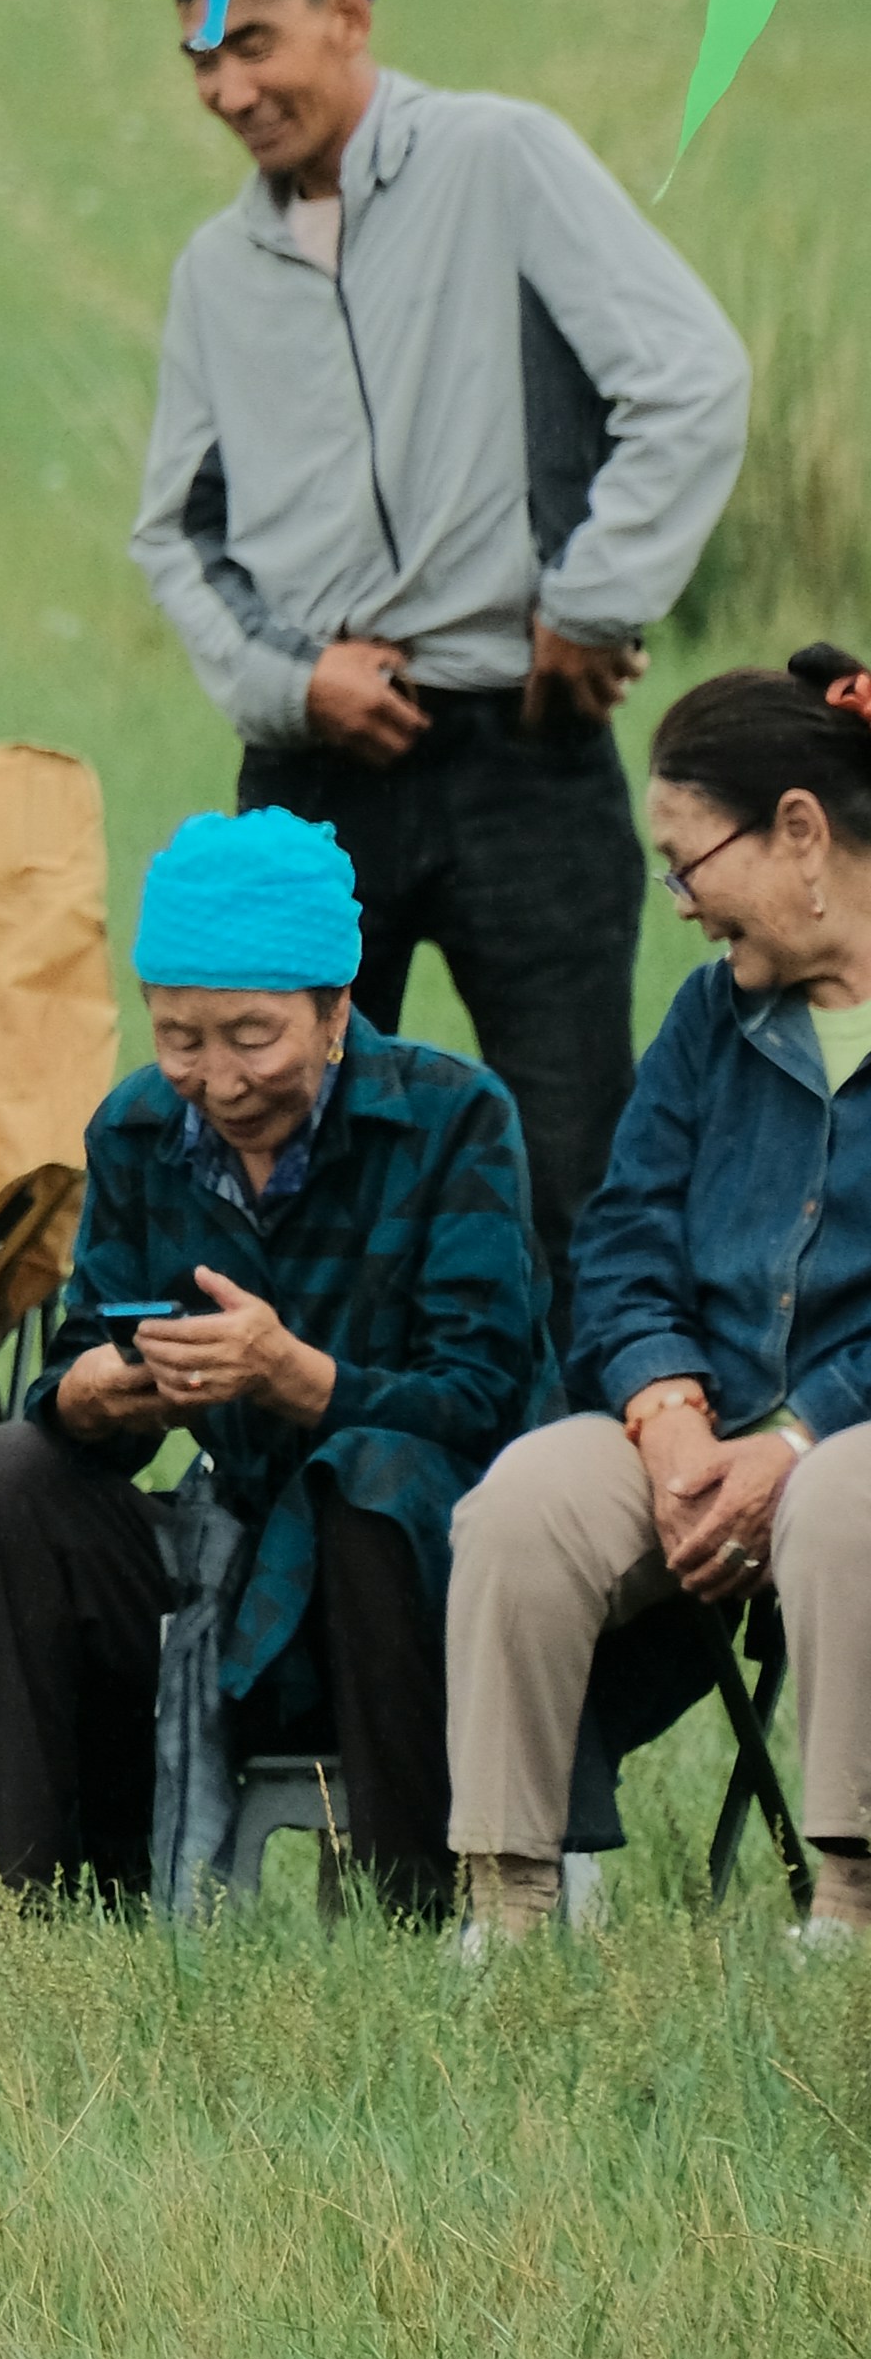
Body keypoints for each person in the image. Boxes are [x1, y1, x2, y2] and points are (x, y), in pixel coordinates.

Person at [125, 0, 747, 1268]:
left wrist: (594, 602)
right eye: (201, 58)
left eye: (253, 43)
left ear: (349, 16)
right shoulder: (215, 274)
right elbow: (175, 529)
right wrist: (292, 685)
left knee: (576, 1157)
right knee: (289, 1159)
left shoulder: (500, 163)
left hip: (522, 742)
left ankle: (592, 1470)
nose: (226, 88)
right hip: (311, 774)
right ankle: (305, 1480)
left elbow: (691, 379)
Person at [0, 811, 536, 1919]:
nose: (214, 1077)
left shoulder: (456, 1119)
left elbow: (486, 1400)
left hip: (419, 1569)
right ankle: (28, 1913)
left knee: (368, 1473)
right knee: (9, 1474)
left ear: (337, 1010)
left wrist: (296, 1376)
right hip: (233, 1542)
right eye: (180, 1037)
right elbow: (81, 1347)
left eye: (252, 1035)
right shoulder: (133, 1127)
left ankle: (415, 1909)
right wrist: (94, 1397)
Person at [437, 650, 871, 1951]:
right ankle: (509, 1906)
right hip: (701, 1425)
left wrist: (794, 1443)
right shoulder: (706, 1021)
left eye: (687, 860)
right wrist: (668, 1408)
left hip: (846, 1455)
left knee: (848, 1504)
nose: (678, 902)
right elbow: (621, 1240)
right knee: (522, 1502)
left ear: (799, 830)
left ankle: (852, 1908)